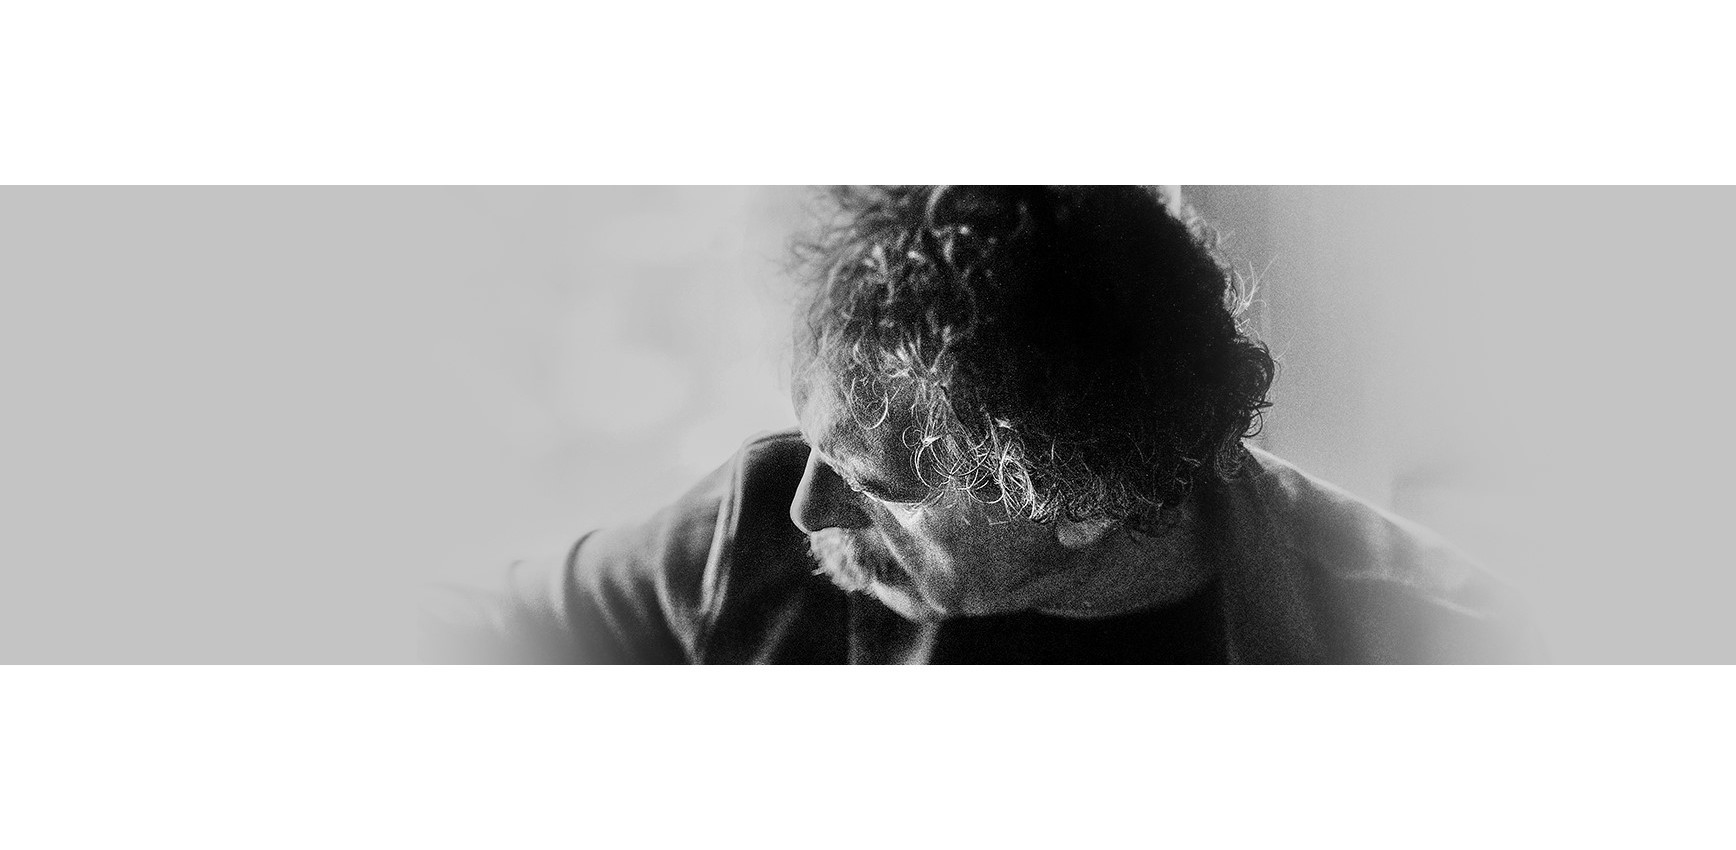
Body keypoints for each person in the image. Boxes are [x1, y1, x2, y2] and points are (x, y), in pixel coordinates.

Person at [429, 186, 1543, 663]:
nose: (808, 504)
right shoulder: (755, 525)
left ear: (1080, 502)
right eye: (815, 441)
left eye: (878, 481)